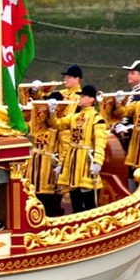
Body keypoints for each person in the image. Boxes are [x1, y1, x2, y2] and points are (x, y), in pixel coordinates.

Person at [48, 84, 108, 213]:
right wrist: (52, 111)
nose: (80, 98)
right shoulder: (74, 117)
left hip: (85, 160)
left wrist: (97, 161)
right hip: (73, 161)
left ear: (91, 99)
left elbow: (100, 141)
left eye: (83, 96)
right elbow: (57, 124)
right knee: (75, 196)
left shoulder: (97, 118)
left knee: (88, 197)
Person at [28, 91, 63, 217]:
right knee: (33, 193)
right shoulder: (39, 123)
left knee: (49, 198)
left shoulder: (60, 125)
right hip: (36, 162)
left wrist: (60, 163)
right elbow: (27, 126)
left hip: (49, 162)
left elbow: (63, 146)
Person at [111, 59, 140, 151]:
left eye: (132, 73)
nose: (129, 76)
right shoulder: (129, 92)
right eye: (129, 73)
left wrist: (127, 128)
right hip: (123, 136)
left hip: (136, 139)